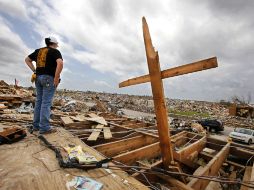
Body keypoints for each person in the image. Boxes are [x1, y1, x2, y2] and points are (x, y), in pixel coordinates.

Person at [25, 36, 63, 134]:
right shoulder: (55, 51)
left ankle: (36, 126)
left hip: (38, 78)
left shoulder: (39, 51)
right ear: (54, 44)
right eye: (57, 44)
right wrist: (56, 77)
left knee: (39, 102)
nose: (57, 46)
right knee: (46, 103)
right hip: (49, 78)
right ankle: (45, 128)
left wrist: (35, 71)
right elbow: (60, 63)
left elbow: (27, 59)